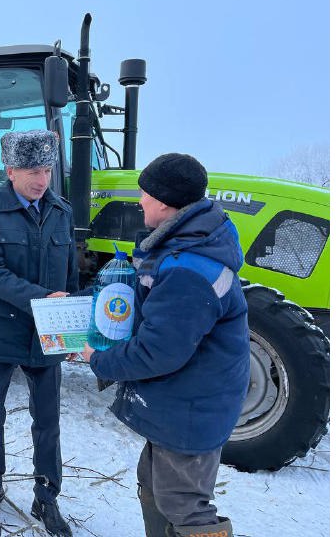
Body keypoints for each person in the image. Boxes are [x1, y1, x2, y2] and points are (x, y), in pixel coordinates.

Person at [81, 153, 249, 537]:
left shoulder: (189, 270)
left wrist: (100, 359)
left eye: (144, 194)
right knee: (155, 488)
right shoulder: (183, 249)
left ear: (164, 202)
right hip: (181, 403)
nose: (139, 201)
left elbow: (158, 351)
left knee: (184, 505)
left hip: (191, 408)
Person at [0, 129, 78, 537]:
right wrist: (45, 298)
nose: (42, 180)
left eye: (47, 170)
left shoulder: (61, 212)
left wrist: (69, 323)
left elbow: (68, 273)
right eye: (33, 171)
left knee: (48, 419)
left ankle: (47, 497)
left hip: (47, 333)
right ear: (11, 171)